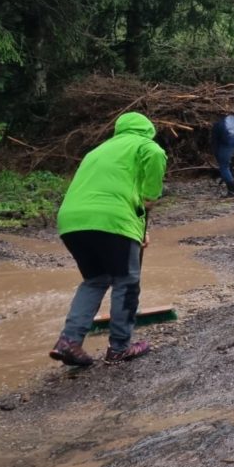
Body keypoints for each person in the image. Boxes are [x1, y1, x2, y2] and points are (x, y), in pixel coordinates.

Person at [49, 112, 167, 366]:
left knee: (95, 280)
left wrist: (138, 229)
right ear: (148, 130)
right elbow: (156, 158)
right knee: (126, 281)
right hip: (113, 220)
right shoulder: (145, 145)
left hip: (71, 221)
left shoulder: (97, 151)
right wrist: (150, 196)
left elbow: (111, 190)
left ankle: (69, 341)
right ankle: (120, 348)